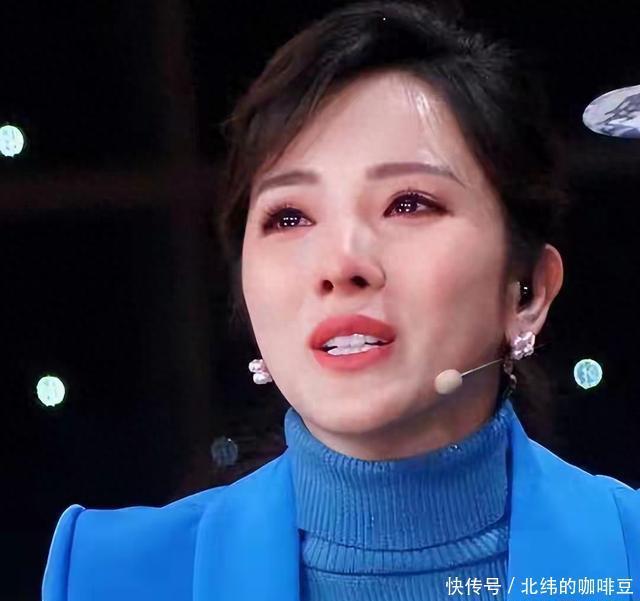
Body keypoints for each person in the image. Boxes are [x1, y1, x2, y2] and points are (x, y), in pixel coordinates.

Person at [42, 2, 640, 600]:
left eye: (408, 204)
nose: (340, 264)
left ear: (528, 290)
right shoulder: (109, 575)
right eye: (290, 216)